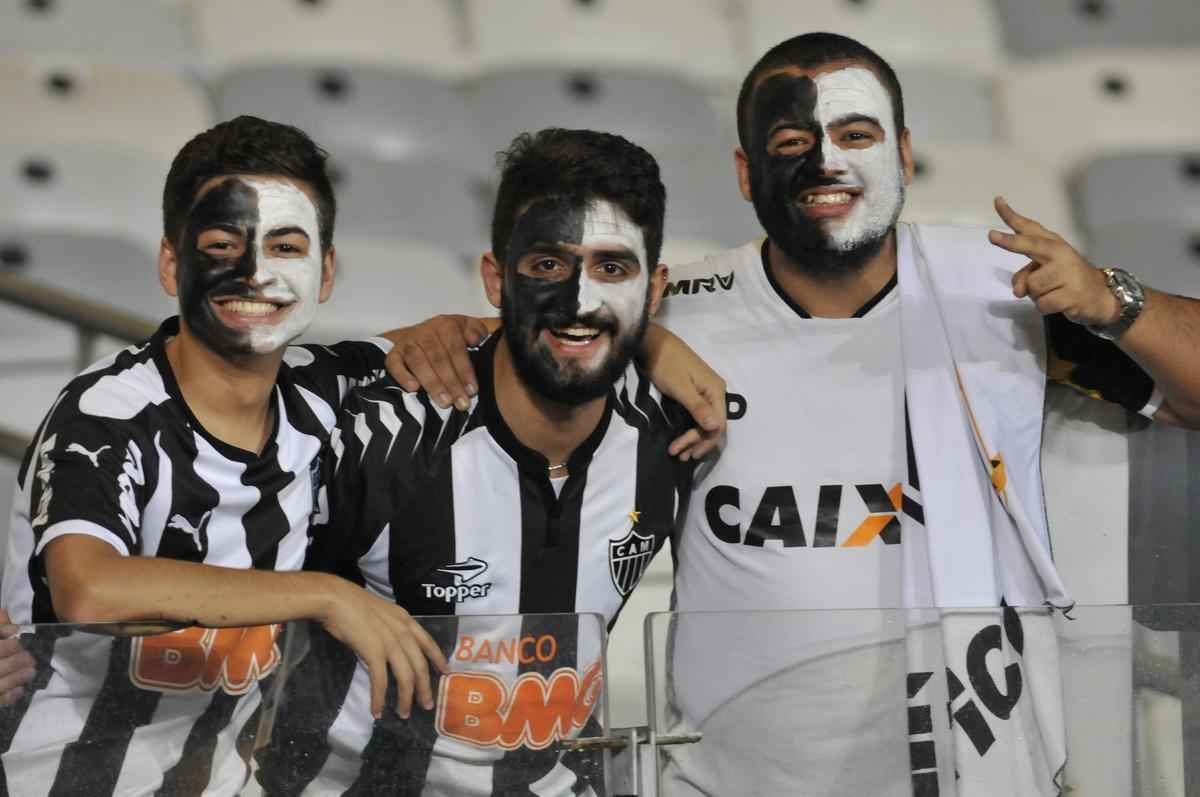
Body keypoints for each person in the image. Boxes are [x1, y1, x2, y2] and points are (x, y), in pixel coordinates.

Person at [385, 32, 1200, 795]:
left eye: (856, 135)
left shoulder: (1003, 292)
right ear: (745, 175)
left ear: (905, 152)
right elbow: (539, 337)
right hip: (729, 777)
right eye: (790, 145)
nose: (825, 163)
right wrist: (441, 333)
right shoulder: (674, 313)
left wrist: (1115, 300)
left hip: (979, 769)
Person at [0, 115, 448, 796]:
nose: (254, 272)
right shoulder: (106, 410)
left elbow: (520, 333)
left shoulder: (323, 388)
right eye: (221, 245)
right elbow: (89, 588)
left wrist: (662, 349)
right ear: (171, 263)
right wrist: (328, 597)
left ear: (325, 272)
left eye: (286, 246)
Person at [254, 128, 694, 796]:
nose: (579, 298)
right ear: (495, 277)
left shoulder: (673, 433)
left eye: (613, 268)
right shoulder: (378, 438)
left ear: (655, 287)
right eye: (546, 265)